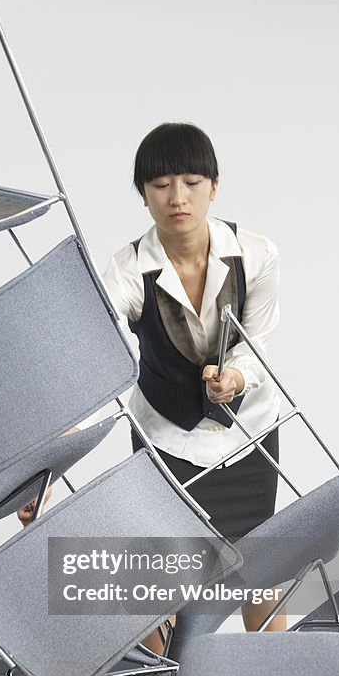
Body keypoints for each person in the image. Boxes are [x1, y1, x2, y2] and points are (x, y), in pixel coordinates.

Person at [102, 122, 285, 641]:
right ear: (143, 195)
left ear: (214, 186)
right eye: (161, 186)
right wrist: (56, 452)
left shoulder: (257, 253)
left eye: (191, 182)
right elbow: (97, 360)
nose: (177, 197)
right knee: (158, 579)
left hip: (249, 432)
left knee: (260, 569)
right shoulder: (125, 273)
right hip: (164, 436)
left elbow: (258, 341)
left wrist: (236, 376)